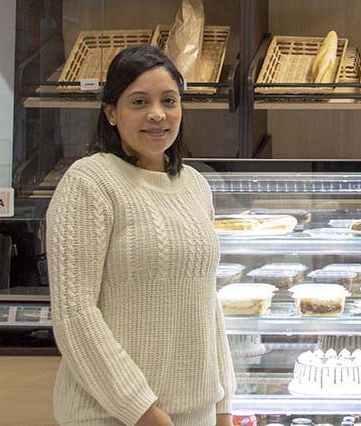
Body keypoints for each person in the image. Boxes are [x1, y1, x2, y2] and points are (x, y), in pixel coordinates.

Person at [46, 45, 234, 426]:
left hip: (194, 410)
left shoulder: (195, 185)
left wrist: (223, 403)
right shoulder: (89, 182)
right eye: (139, 102)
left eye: (169, 100)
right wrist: (143, 410)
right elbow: (74, 314)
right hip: (111, 414)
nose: (157, 114)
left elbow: (206, 303)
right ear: (111, 112)